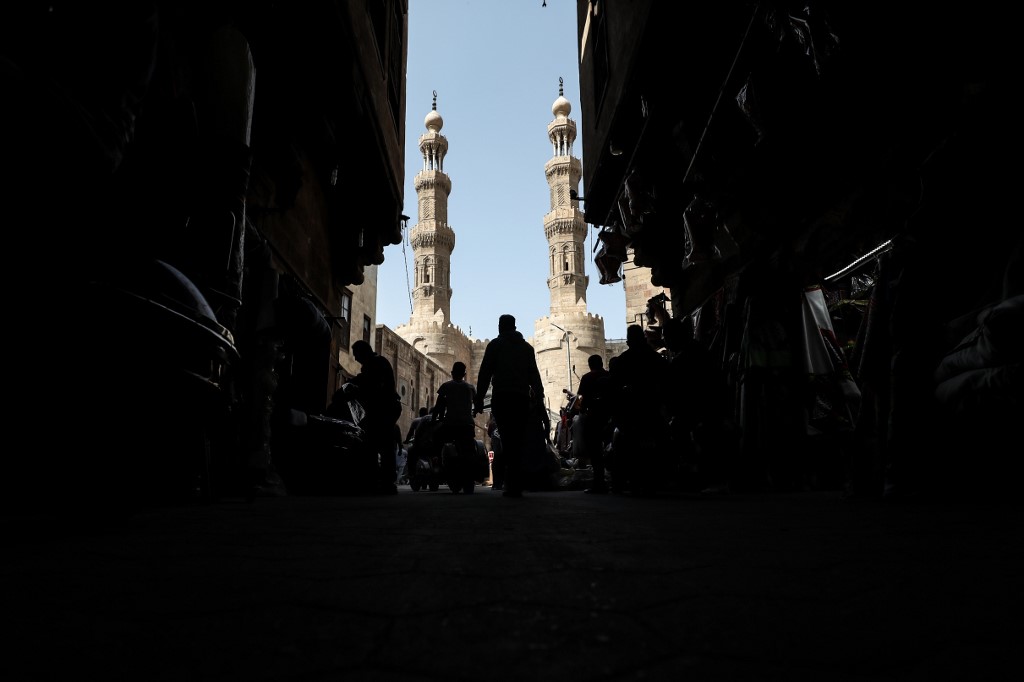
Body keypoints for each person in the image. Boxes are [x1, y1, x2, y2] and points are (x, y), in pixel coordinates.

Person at [474, 314, 544, 498]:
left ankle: (511, 483)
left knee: (507, 439)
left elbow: (485, 373)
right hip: (521, 399)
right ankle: (516, 483)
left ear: (501, 327)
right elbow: (534, 377)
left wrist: (479, 398)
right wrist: (539, 400)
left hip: (503, 398)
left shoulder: (495, 346)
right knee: (519, 440)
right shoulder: (526, 348)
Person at [609, 324, 670, 494]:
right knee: (655, 445)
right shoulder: (656, 359)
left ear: (628, 341)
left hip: (632, 413)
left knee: (628, 448)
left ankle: (629, 482)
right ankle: (655, 480)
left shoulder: (622, 361)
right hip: (652, 410)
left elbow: (614, 388)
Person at [340, 339, 402, 494]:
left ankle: (384, 482)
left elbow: (371, 384)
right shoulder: (374, 365)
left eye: (356, 354)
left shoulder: (376, 364)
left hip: (385, 407)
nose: (355, 358)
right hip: (384, 407)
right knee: (376, 442)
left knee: (378, 443)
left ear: (363, 352)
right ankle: (381, 481)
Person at [432, 361, 479, 494]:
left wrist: (435, 419)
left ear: (452, 373)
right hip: (467, 425)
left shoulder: (446, 386)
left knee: (437, 438)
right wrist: (473, 412)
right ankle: (469, 478)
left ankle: (437, 462)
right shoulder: (470, 388)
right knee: (469, 450)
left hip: (451, 425)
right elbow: (476, 404)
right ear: (464, 374)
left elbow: (439, 405)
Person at [575, 354, 614, 493]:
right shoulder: (610, 376)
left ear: (590, 364)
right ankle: (613, 481)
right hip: (610, 416)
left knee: (595, 451)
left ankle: (599, 483)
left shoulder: (587, 377)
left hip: (594, 417)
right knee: (610, 447)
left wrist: (581, 412)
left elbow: (582, 400)